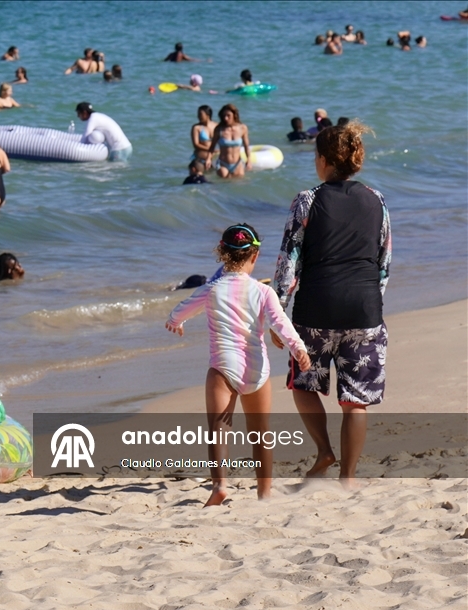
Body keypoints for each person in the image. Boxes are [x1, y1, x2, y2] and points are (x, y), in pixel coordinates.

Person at [271, 123, 391, 490]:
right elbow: (383, 261)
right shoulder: (376, 198)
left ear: (323, 160)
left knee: (304, 385)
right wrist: (372, 303)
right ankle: (348, 479)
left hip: (316, 310)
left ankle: (324, 450)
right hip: (364, 309)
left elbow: (289, 260)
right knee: (356, 400)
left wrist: (278, 312)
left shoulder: (307, 200)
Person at [167, 224, 311, 506]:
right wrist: (298, 348)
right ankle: (264, 492)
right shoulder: (263, 292)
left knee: (219, 429)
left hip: (223, 368)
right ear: (254, 256)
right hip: (257, 369)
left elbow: (180, 310)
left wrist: (176, 322)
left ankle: (220, 486)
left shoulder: (211, 289)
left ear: (222, 254)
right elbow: (280, 323)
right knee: (261, 433)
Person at [206, 104, 250, 178]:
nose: (226, 118)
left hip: (237, 163)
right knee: (224, 182)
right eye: (224, 116)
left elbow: (246, 146)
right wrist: (208, 159)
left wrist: (249, 160)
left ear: (234, 115)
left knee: (239, 184)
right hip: (223, 163)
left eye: (228, 115)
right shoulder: (219, 129)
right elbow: (212, 146)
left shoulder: (242, 128)